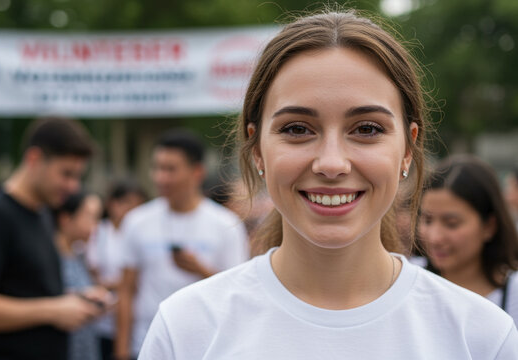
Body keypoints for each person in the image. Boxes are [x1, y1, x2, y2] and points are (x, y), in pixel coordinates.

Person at [138, 10, 518, 359]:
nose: (332, 163)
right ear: (257, 151)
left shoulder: (482, 335)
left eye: (367, 129)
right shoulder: (187, 328)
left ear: (407, 148)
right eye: (297, 129)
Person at [0, 118, 108, 360]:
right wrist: (53, 310)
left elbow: (27, 290)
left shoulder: (42, 213)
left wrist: (76, 300)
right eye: (66, 174)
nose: (73, 187)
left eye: (78, 176)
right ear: (34, 159)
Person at [115, 129, 249, 360]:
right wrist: (122, 350)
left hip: (206, 346)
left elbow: (239, 292)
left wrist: (200, 269)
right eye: (157, 167)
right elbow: (126, 289)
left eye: (170, 169)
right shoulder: (136, 221)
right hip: (145, 343)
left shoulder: (226, 225)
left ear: (197, 172)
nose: (160, 177)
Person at [419, 155, 518, 323]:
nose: (435, 237)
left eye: (451, 224)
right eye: (427, 220)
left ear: (489, 226)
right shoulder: (407, 279)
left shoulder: (513, 296)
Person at [87, 180, 147, 360]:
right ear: (113, 204)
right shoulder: (100, 232)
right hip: (104, 318)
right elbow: (93, 272)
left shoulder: (140, 234)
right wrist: (123, 283)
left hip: (134, 319)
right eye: (128, 203)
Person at [55, 191, 112, 360]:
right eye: (90, 217)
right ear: (66, 218)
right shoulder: (49, 258)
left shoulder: (78, 254)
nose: (95, 226)